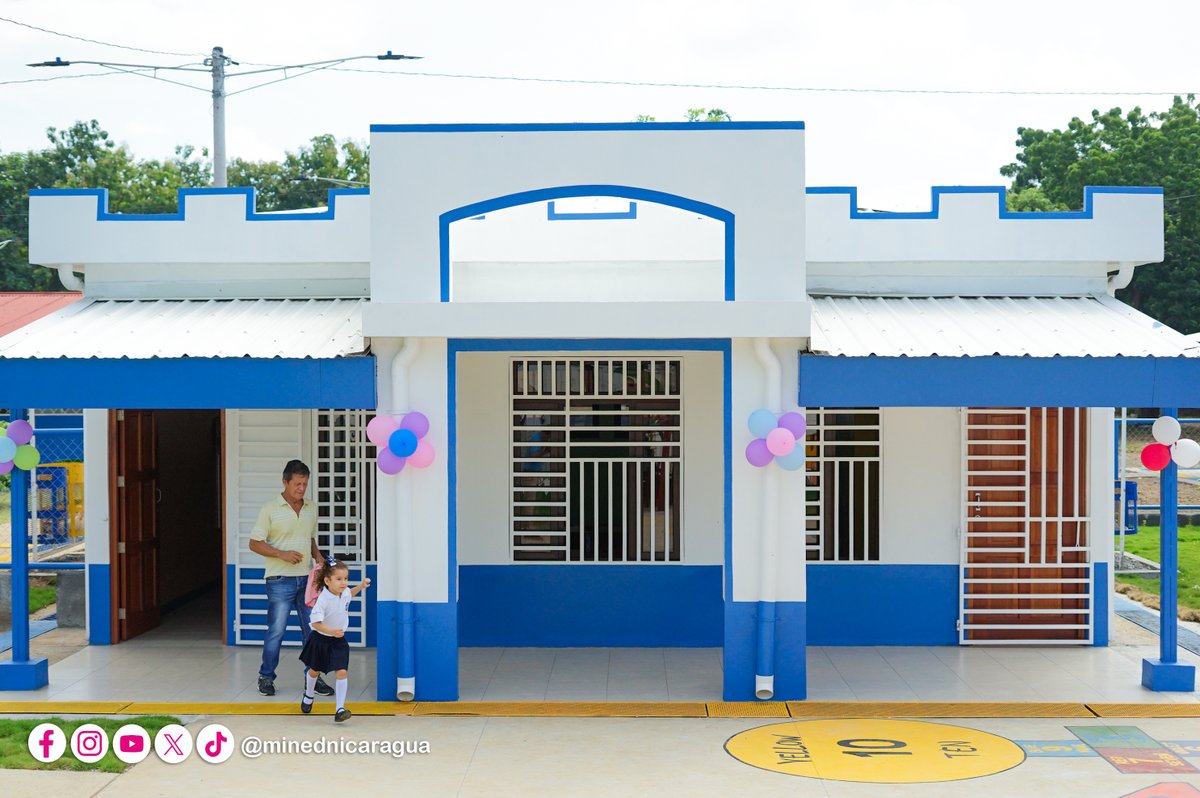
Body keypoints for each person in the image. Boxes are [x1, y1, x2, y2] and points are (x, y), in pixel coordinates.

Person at [249, 460, 333, 697]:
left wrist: (319, 559)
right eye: (297, 483)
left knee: (312, 630)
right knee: (277, 630)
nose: (301, 488)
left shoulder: (311, 507)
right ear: (285, 482)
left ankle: (313, 679)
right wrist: (281, 554)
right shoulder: (270, 509)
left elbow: (310, 538)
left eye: (305, 484)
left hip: (307, 580)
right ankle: (265, 677)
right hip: (279, 580)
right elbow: (254, 543)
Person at [300, 558, 371, 721]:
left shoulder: (344, 592)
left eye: (345, 579)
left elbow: (349, 595)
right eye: (339, 579)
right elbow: (315, 624)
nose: (343, 582)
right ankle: (309, 695)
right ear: (327, 581)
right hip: (320, 639)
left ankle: (339, 709)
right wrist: (331, 631)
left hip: (338, 640)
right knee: (314, 670)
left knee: (342, 671)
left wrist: (360, 586)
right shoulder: (323, 600)